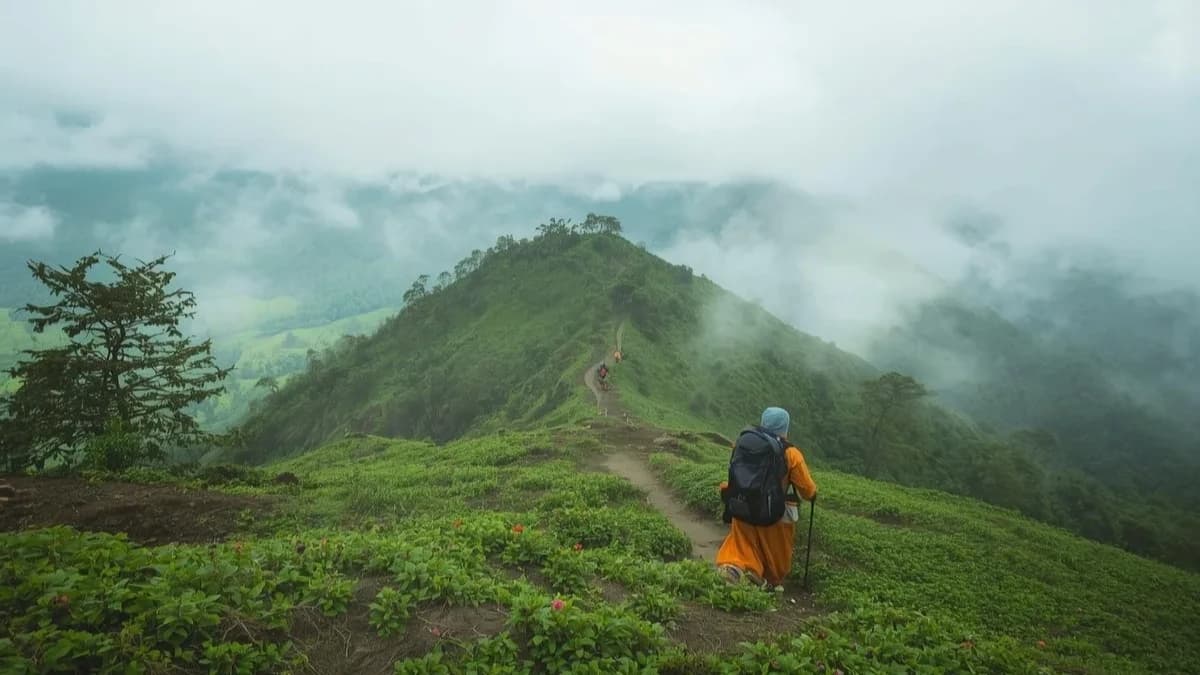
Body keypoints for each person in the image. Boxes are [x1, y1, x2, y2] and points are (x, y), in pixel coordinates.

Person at [715, 406, 817, 590]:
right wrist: (813, 494)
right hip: (771, 514)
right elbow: (807, 490)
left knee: (741, 543)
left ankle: (733, 568)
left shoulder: (742, 443)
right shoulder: (791, 453)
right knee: (774, 553)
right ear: (785, 427)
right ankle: (766, 579)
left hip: (741, 506)